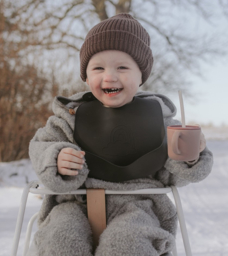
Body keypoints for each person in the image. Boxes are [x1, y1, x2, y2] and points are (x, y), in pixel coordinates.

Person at [28, 13, 213, 256]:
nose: (109, 76)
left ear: (141, 75)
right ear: (86, 75)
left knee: (128, 243)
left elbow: (175, 175)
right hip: (73, 204)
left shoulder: (161, 120)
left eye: (122, 67)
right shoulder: (69, 117)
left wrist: (190, 155)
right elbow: (40, 146)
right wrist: (56, 158)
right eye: (98, 68)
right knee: (61, 237)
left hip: (138, 206)